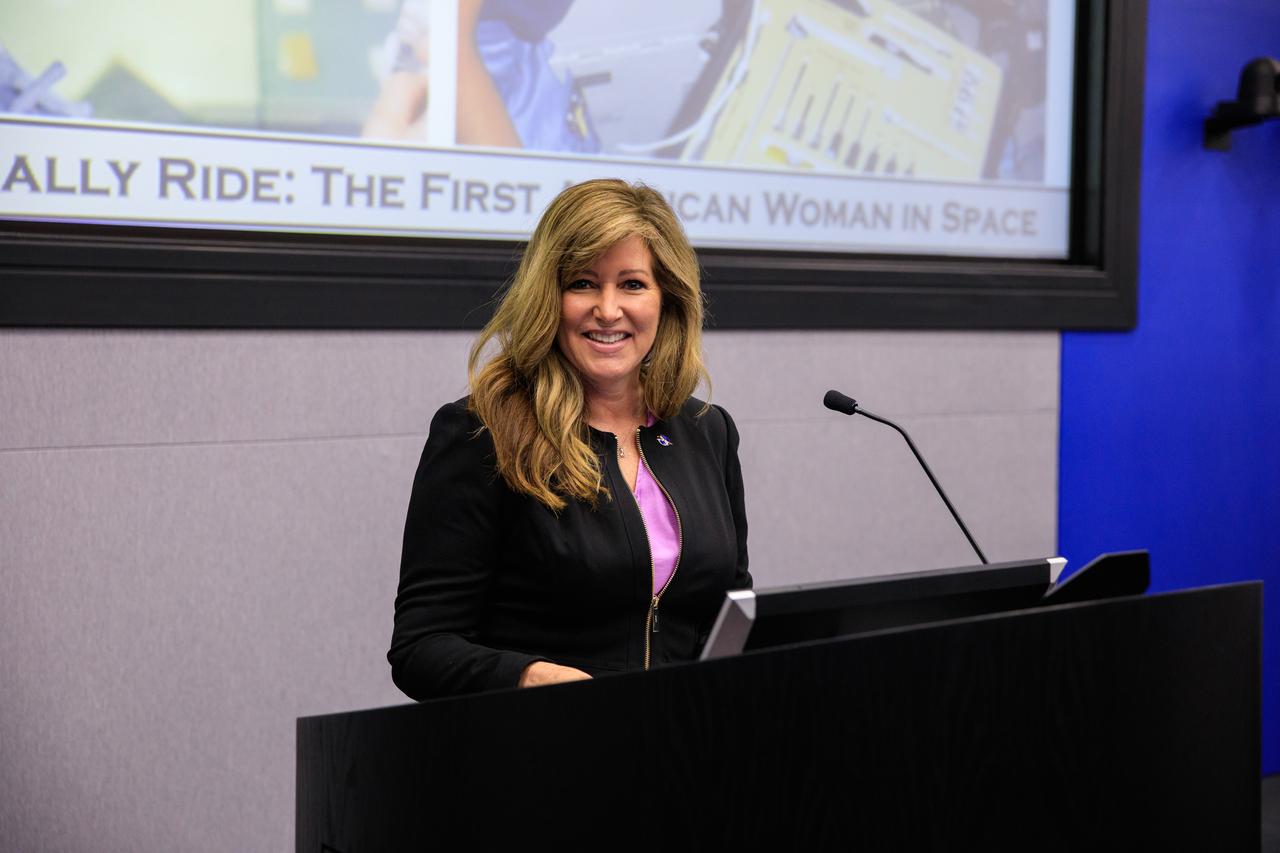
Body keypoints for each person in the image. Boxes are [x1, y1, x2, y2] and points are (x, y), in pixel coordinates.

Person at [388, 179, 750, 700]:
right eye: (583, 283)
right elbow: (421, 647)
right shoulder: (483, 432)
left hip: (681, 740)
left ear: (667, 299)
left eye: (632, 284)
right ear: (548, 298)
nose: (608, 309)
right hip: (545, 738)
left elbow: (733, 617)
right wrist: (534, 677)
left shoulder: (708, 431)